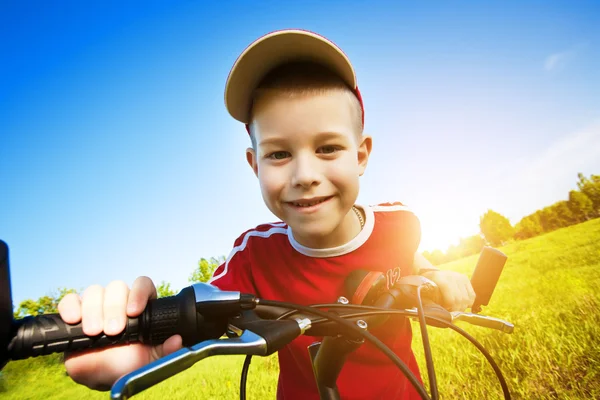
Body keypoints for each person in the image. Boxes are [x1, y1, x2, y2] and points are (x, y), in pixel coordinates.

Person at [58, 29, 476, 399]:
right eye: (278, 154)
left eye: (328, 148)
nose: (305, 175)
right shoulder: (254, 255)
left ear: (362, 155)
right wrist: (145, 337)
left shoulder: (399, 222)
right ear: (255, 166)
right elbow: (199, 307)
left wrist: (439, 277)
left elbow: (411, 258)